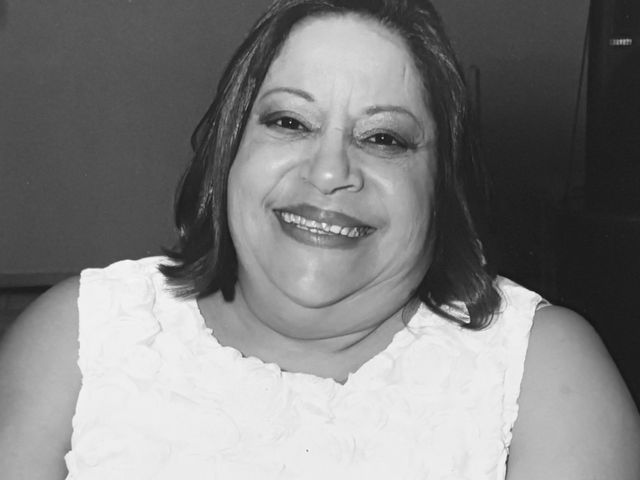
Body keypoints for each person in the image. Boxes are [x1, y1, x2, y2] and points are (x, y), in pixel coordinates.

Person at [1, 0, 639, 478]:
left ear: (442, 186)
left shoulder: (541, 372)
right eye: (290, 122)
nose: (330, 171)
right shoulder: (78, 338)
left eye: (383, 137)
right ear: (229, 150)